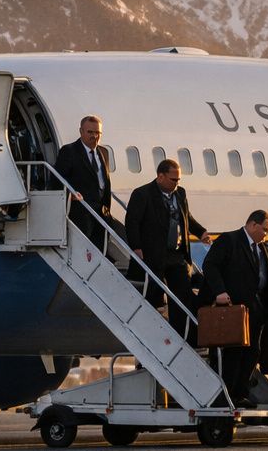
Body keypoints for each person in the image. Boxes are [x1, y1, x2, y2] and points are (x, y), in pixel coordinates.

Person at [201, 210, 268, 406]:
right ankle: (225, 396)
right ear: (252, 225)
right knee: (233, 353)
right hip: (233, 309)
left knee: (253, 352)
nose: (267, 234)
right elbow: (210, 265)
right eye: (265, 230)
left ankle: (239, 394)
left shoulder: (263, 250)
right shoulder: (229, 240)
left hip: (255, 310)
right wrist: (219, 291)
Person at [125, 159, 211, 340]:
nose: (177, 183)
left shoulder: (180, 193)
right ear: (160, 176)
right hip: (154, 255)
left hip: (177, 254)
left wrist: (201, 232)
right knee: (153, 297)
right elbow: (132, 222)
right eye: (173, 179)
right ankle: (150, 338)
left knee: (182, 297)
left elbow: (186, 217)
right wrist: (136, 248)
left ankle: (182, 337)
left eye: (179, 179)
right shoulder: (143, 194)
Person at [52, 115, 112, 246]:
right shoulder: (69, 151)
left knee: (101, 247)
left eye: (98, 133)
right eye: (90, 132)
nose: (94, 136)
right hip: (81, 211)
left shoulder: (104, 152)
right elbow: (56, 180)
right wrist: (70, 194)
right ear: (81, 131)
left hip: (101, 211)